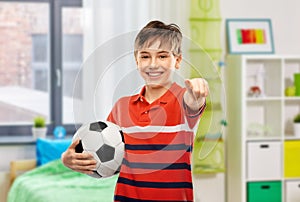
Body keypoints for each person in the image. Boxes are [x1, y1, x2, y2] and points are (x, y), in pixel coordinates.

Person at [62, 20, 209, 202]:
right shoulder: (121, 107)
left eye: (162, 56)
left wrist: (198, 91)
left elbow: (194, 102)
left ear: (177, 61)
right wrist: (69, 159)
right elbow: (100, 152)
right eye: (145, 56)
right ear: (136, 60)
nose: (153, 64)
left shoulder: (183, 101)